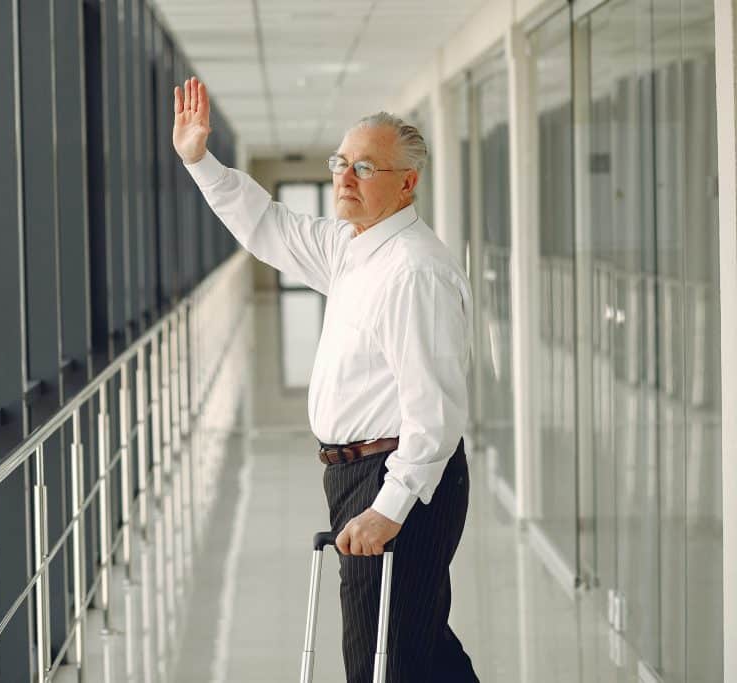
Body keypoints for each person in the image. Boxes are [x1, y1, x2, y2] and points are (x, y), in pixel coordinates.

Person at [172, 76, 480, 682]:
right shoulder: (355, 246)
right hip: (356, 473)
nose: (344, 177)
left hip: (398, 476)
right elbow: (269, 225)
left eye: (365, 167)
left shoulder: (414, 270)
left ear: (406, 183)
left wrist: (389, 508)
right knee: (416, 646)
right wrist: (200, 161)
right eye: (341, 163)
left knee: (385, 661)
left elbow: (435, 410)